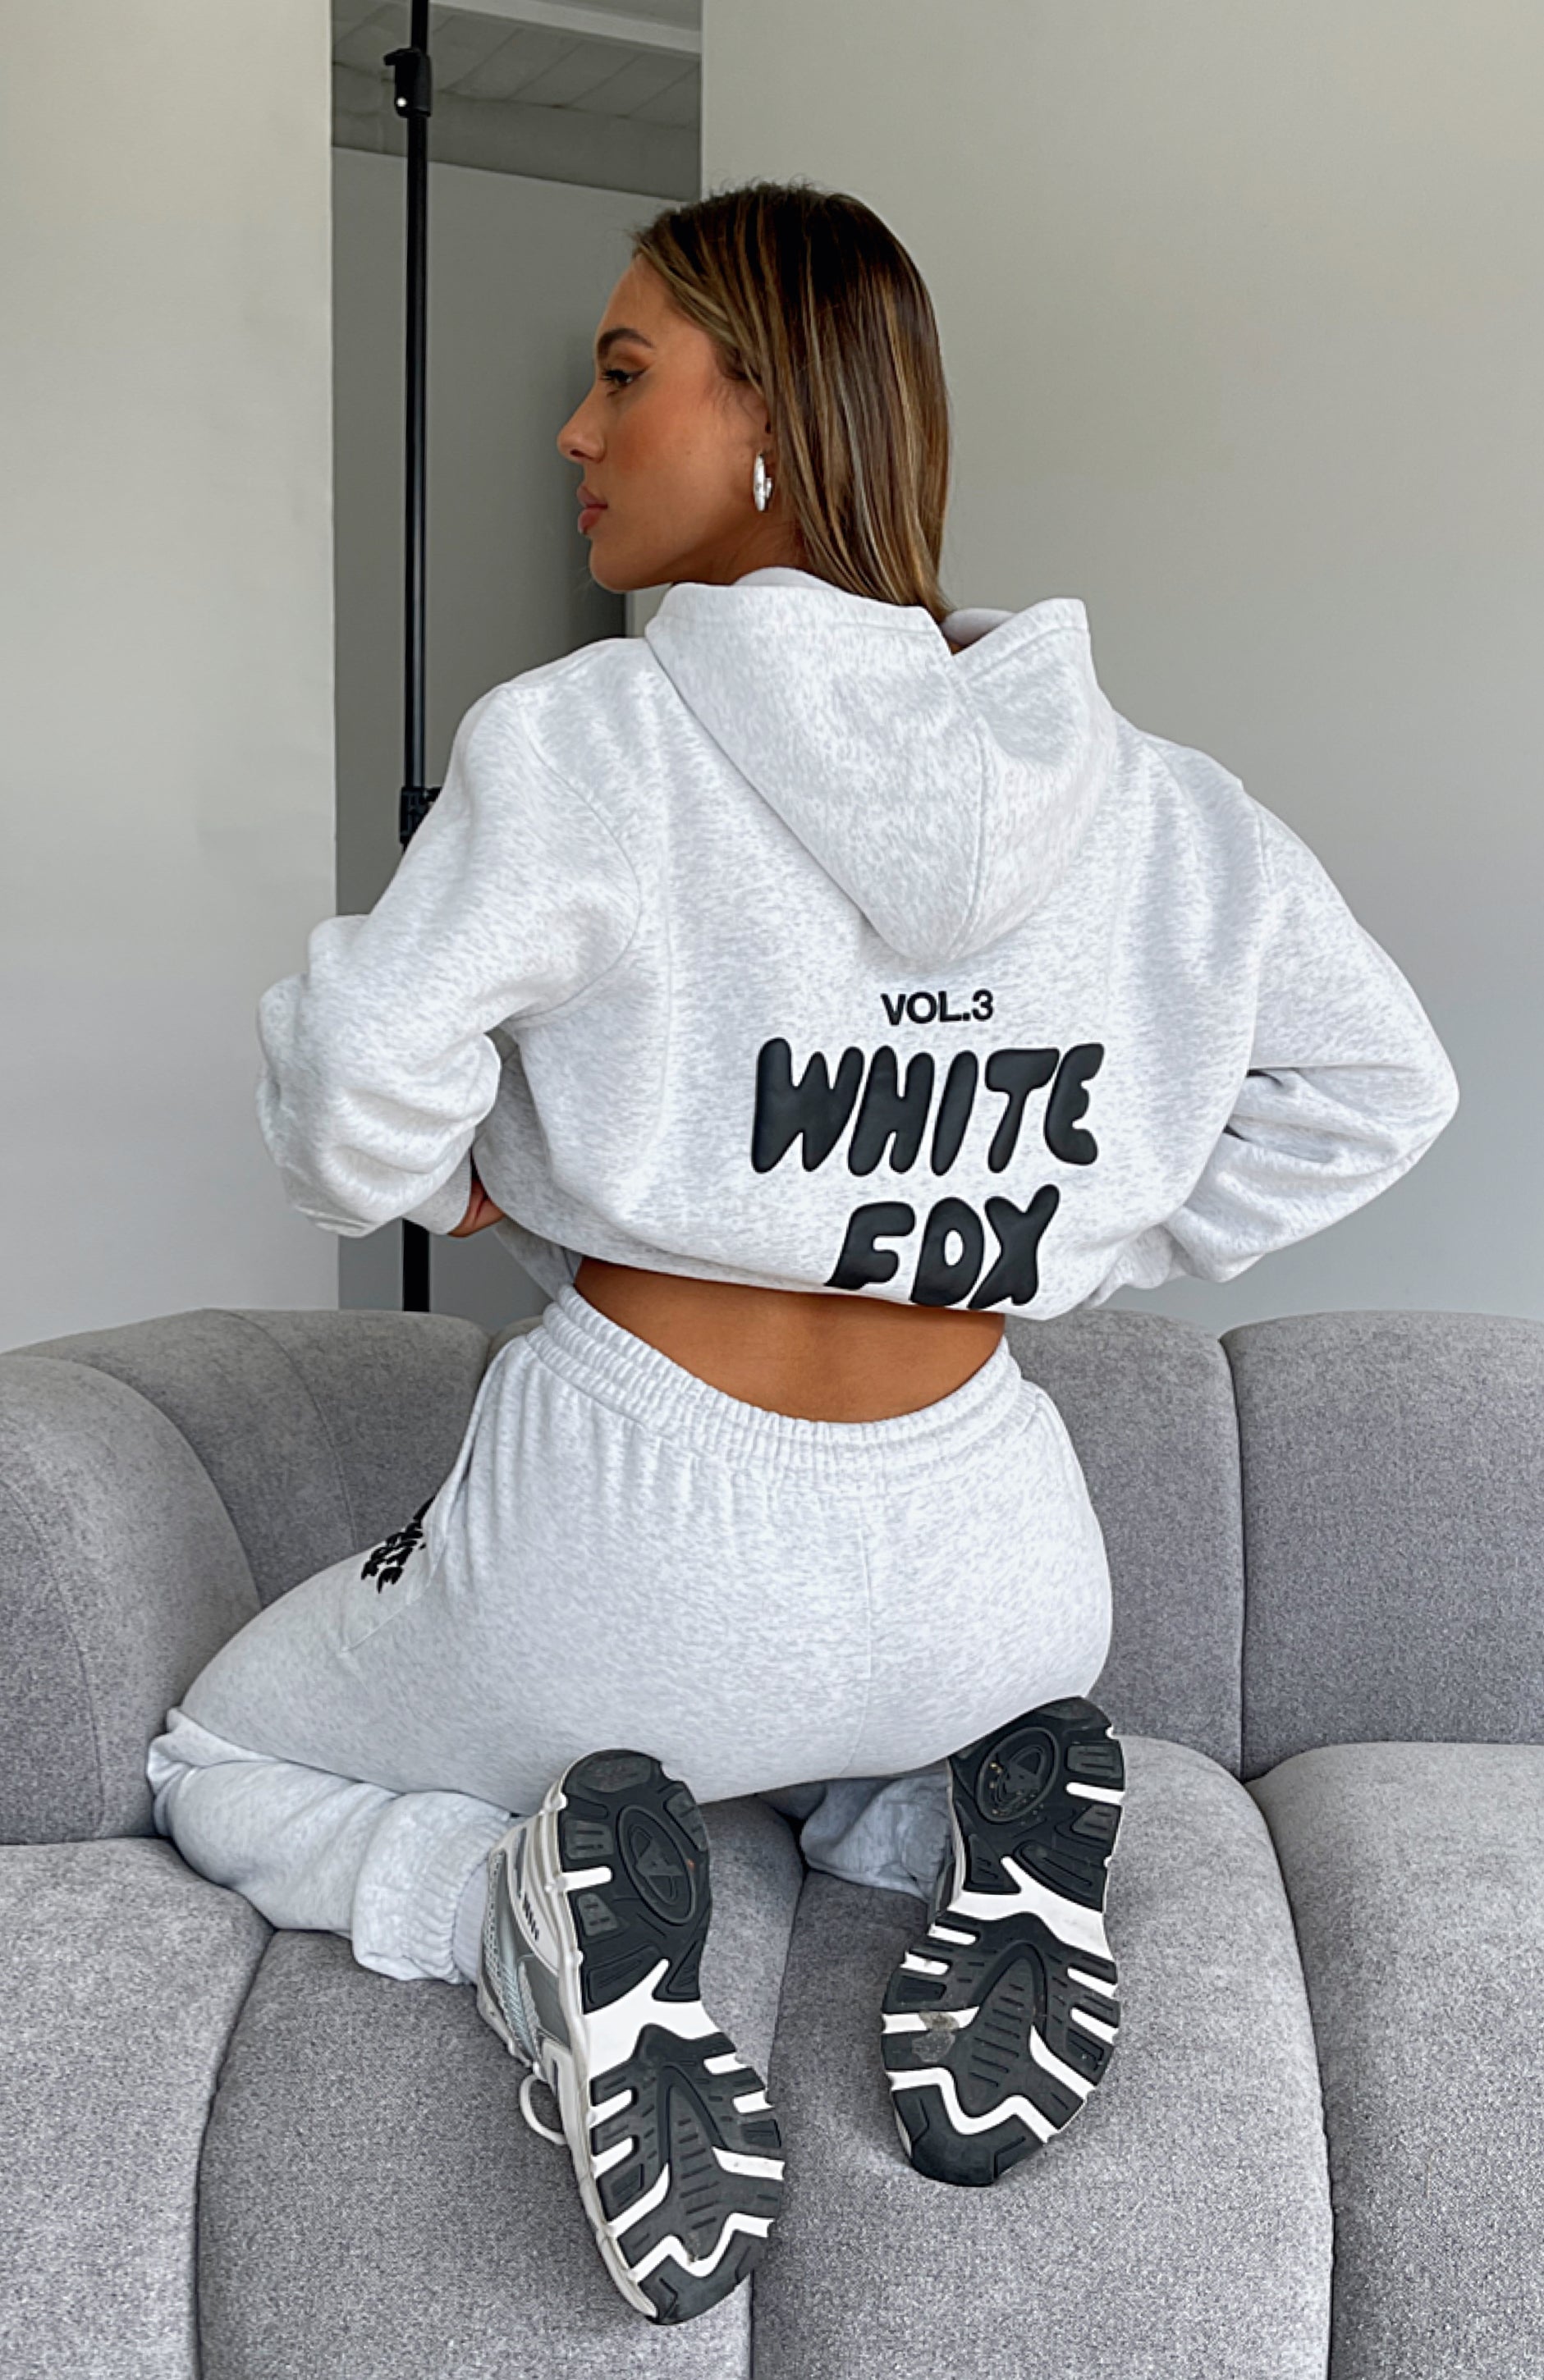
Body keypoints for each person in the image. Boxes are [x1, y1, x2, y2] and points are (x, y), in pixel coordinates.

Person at [145, 178, 1459, 2327]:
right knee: (812, 1731)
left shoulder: (585, 740)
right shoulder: (1147, 795)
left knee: (220, 1755)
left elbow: (356, 1084)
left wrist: (458, 1171)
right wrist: (1062, 1232)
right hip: (999, 1567)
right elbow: (1383, 1085)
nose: (574, 431)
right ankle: (958, 1828)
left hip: (629, 1545)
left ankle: (520, 1920)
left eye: (624, 373)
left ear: (773, 411)